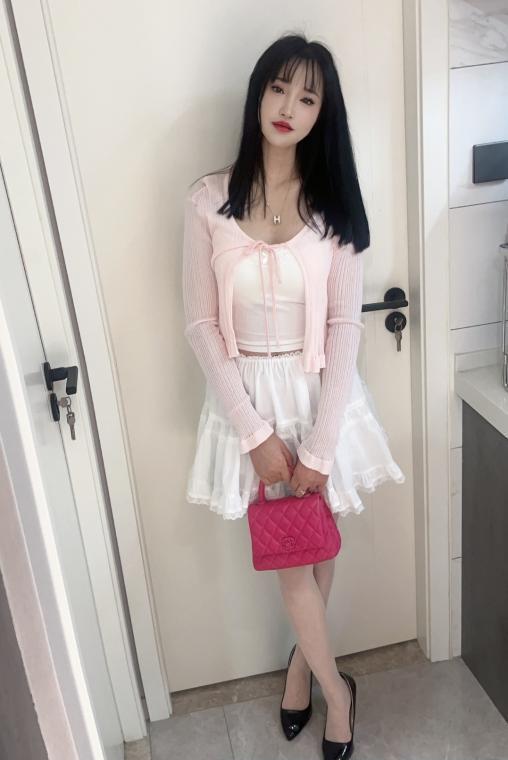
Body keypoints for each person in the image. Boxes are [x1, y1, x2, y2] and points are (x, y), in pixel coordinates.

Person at [182, 33, 405, 760]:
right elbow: (200, 324)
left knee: (311, 540)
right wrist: (254, 432)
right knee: (290, 560)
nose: (288, 106)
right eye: (279, 87)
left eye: (308, 97)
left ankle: (306, 675)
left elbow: (345, 328)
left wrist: (321, 444)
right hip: (247, 402)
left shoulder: (331, 208)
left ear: (321, 114)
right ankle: (336, 691)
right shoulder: (209, 199)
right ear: (258, 93)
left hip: (320, 396)